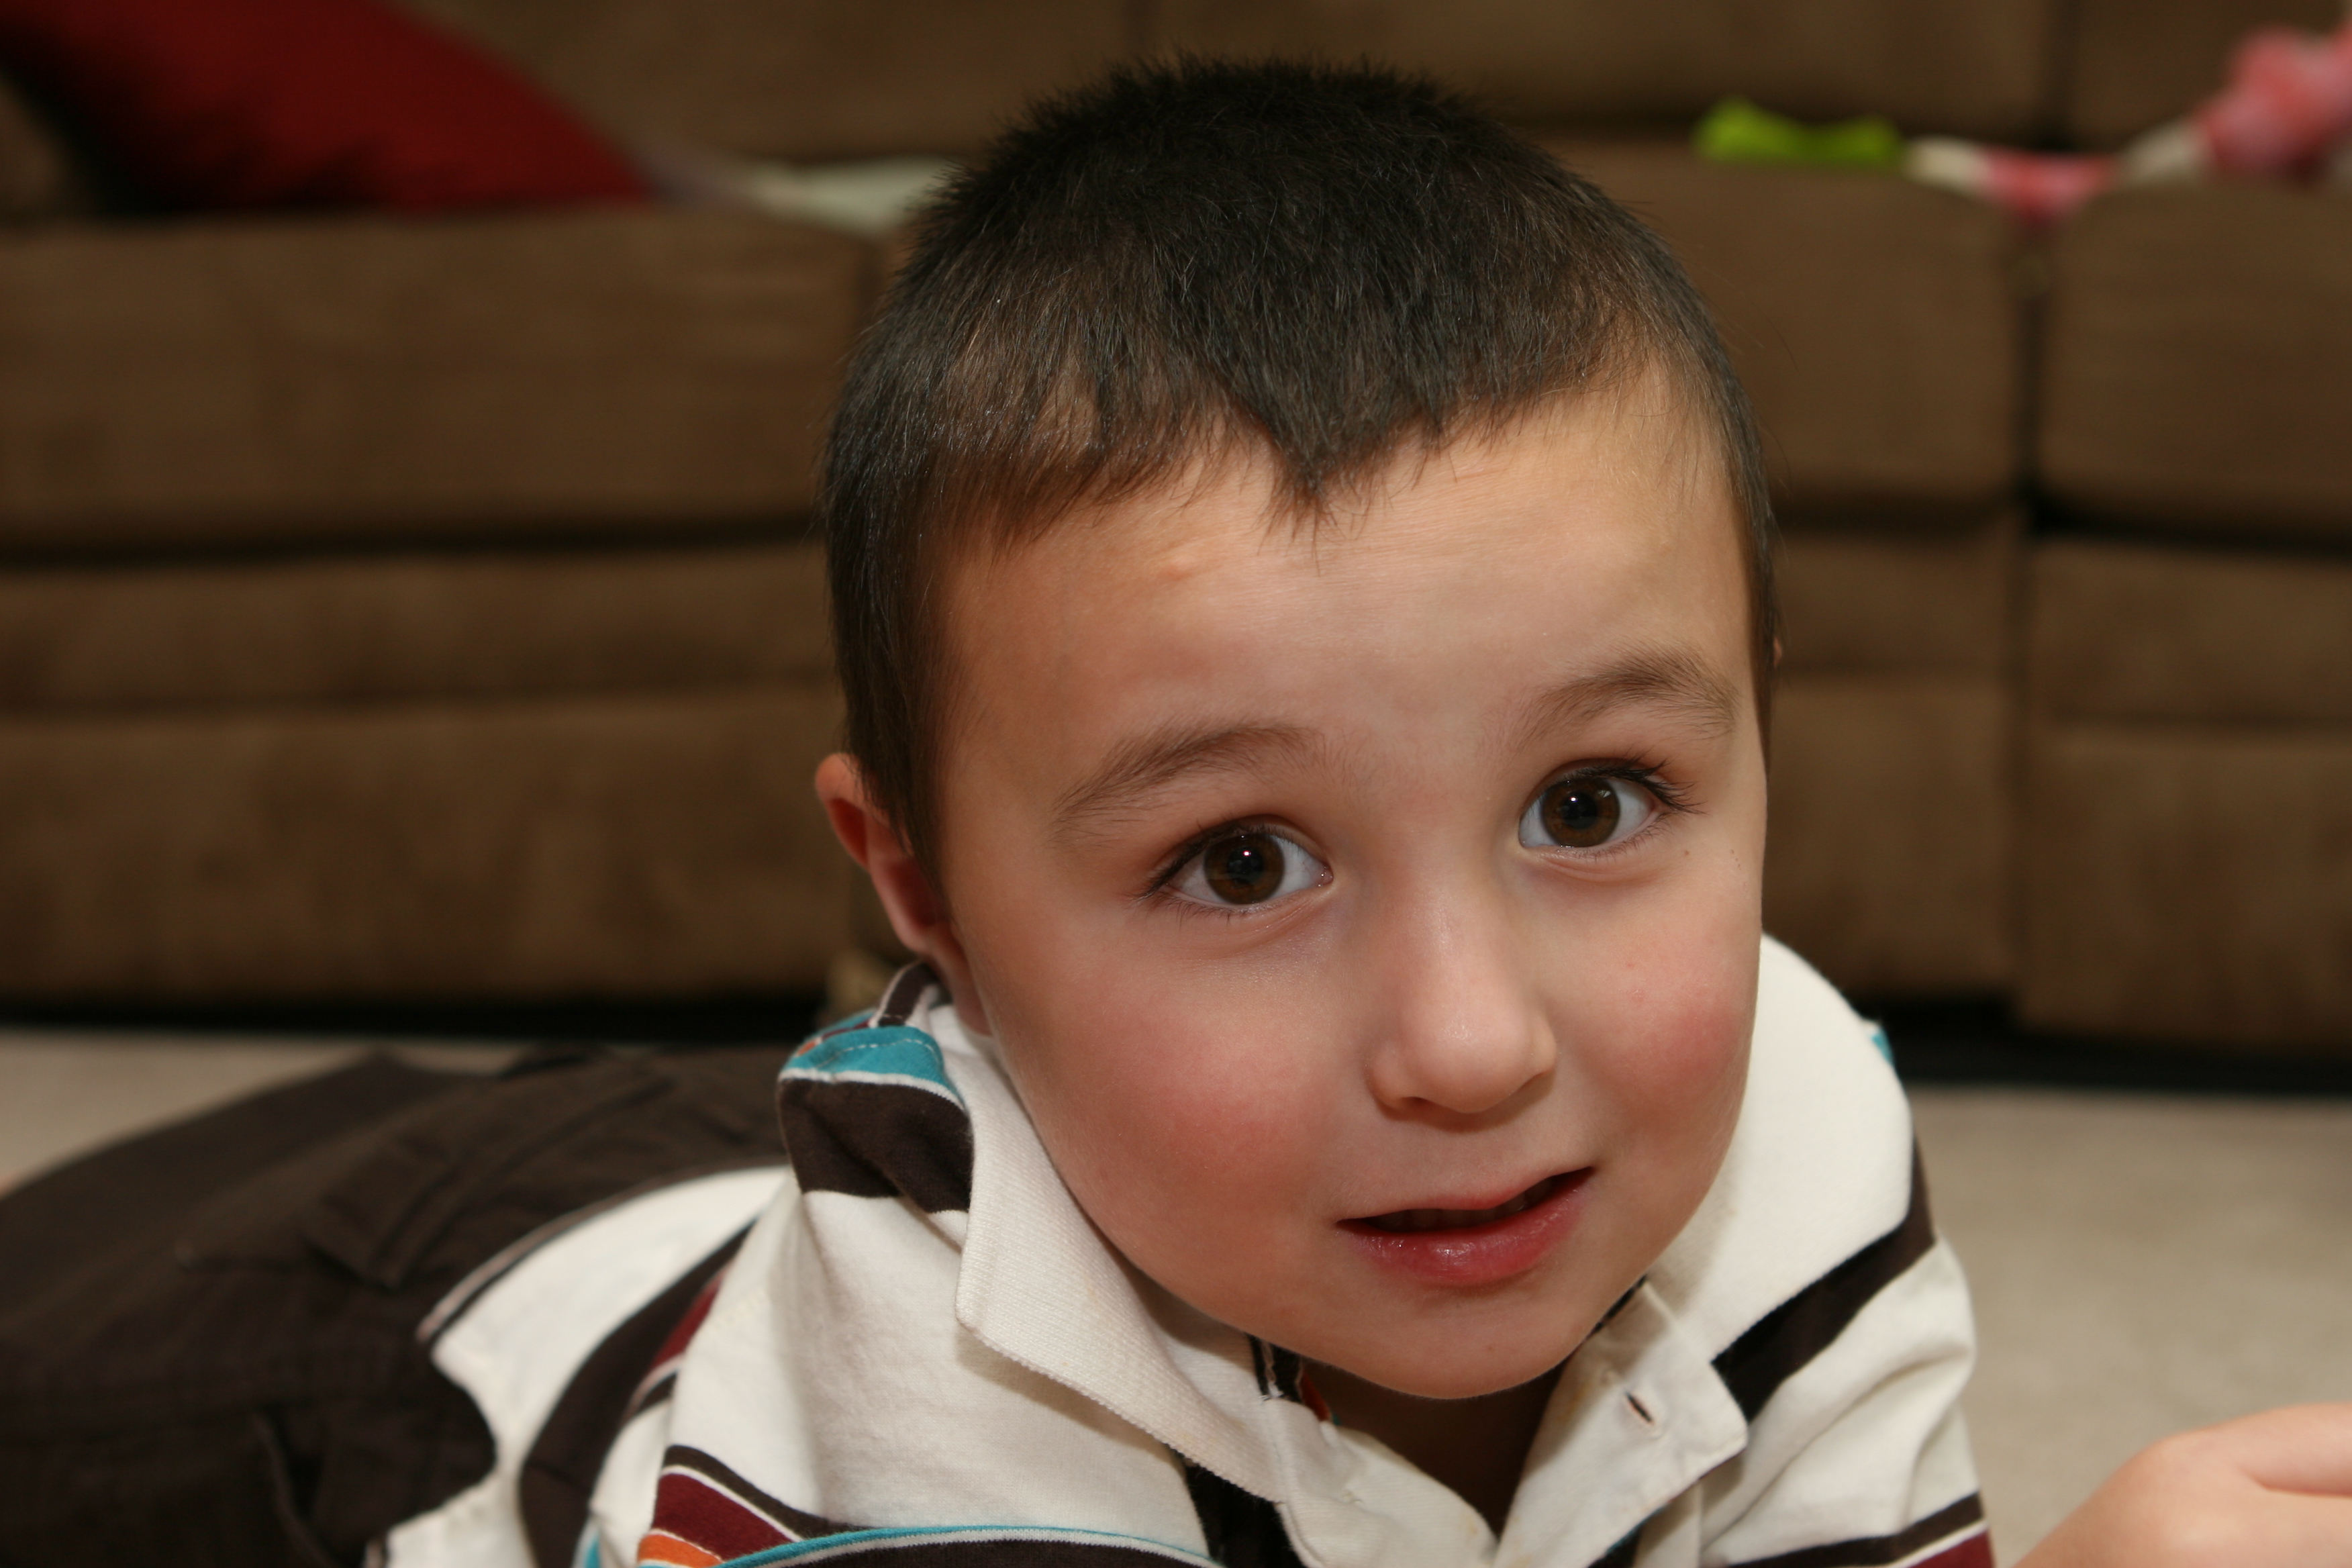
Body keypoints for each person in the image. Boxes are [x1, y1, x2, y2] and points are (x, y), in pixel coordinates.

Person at [5, 55, 2349, 1568]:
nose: (1474, 1044)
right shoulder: (908, 1419)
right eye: (1244, 861)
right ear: (920, 889)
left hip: (896, 1140)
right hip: (400, 1351)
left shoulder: (1794, 1116)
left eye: (1593, 800)